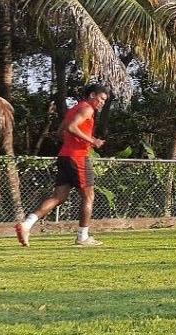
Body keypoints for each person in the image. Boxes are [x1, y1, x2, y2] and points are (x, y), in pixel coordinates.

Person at [15, 84, 110, 247]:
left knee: (58, 197)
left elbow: (61, 132)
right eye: (101, 99)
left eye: (104, 101)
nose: (102, 103)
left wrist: (79, 140)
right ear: (92, 95)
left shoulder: (75, 108)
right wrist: (92, 140)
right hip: (78, 158)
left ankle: (27, 224)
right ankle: (83, 237)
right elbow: (72, 127)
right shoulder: (87, 109)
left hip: (65, 156)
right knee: (89, 196)